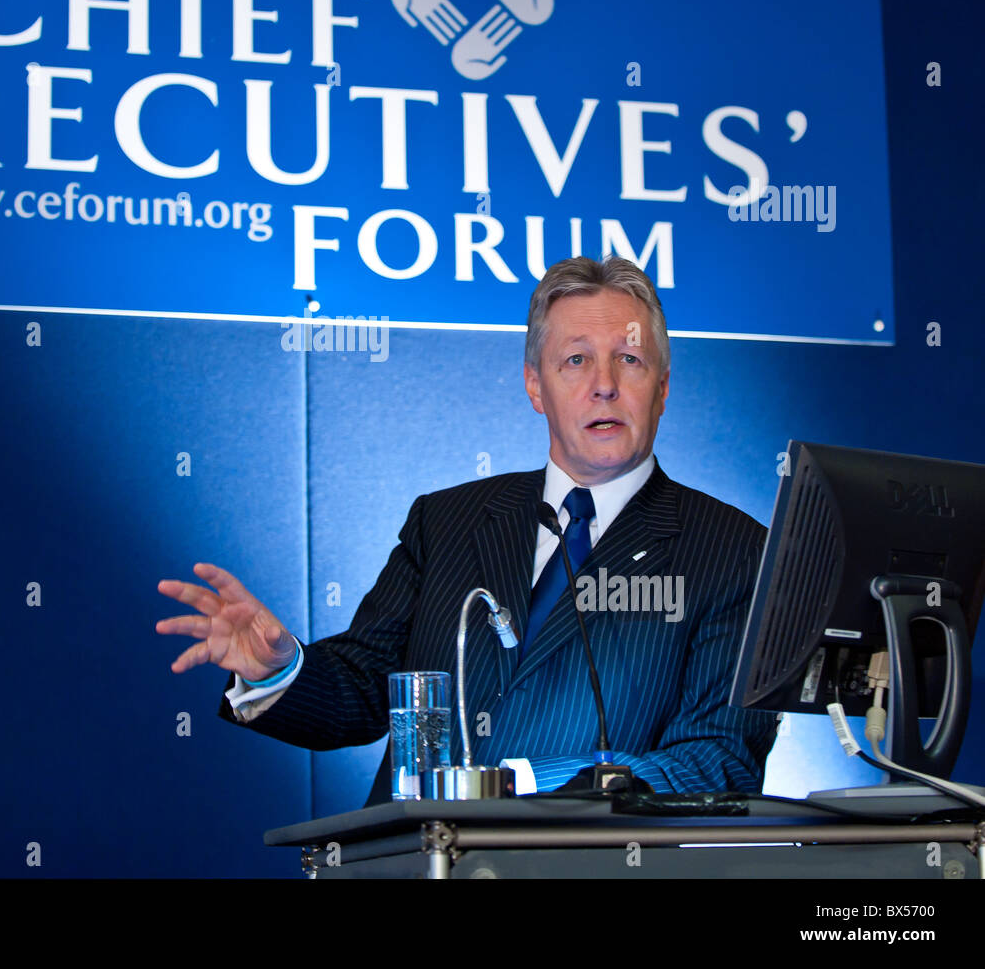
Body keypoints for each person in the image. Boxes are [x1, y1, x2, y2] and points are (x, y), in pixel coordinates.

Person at [156, 256, 776, 805]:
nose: (604, 384)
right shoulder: (447, 521)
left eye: (630, 359)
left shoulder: (736, 553)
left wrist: (529, 782)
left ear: (662, 388)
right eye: (576, 359)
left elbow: (718, 762)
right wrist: (278, 670)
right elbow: (369, 691)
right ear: (536, 385)